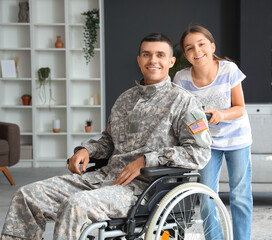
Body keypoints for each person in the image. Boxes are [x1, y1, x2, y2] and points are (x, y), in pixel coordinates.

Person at [0, 33, 212, 240]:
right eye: (146, 54)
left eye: (160, 55)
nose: (153, 60)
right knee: (28, 195)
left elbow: (199, 152)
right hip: (103, 178)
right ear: (139, 60)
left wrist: (147, 160)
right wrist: (86, 150)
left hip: (144, 190)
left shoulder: (184, 102)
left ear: (171, 61)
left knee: (76, 205)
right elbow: (109, 141)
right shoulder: (124, 100)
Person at [173, 25, 253, 240]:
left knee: (240, 196)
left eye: (201, 44)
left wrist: (221, 115)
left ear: (212, 46)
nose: (196, 51)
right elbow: (181, 114)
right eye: (189, 48)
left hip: (237, 138)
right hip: (206, 143)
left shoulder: (228, 70)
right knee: (207, 196)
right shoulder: (181, 79)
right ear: (185, 54)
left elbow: (240, 108)